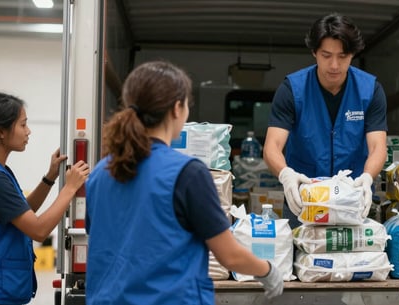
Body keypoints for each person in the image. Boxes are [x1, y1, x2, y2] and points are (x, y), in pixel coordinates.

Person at [84, 61, 283, 304]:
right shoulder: (187, 174)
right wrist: (268, 271)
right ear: (177, 108)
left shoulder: (99, 174)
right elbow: (229, 256)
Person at [0, 92, 89, 305]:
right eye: (23, 125)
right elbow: (38, 230)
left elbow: (21, 212)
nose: (28, 131)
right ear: (1, 132)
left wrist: (49, 178)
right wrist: (70, 189)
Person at [264, 13, 388, 227]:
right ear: (314, 52)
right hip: (303, 199)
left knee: (352, 259)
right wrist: (286, 175)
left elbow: (378, 146)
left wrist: (368, 178)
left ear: (353, 54)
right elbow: (272, 146)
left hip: (352, 199)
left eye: (343, 56)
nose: (334, 65)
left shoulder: (370, 90)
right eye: (326, 55)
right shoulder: (292, 90)